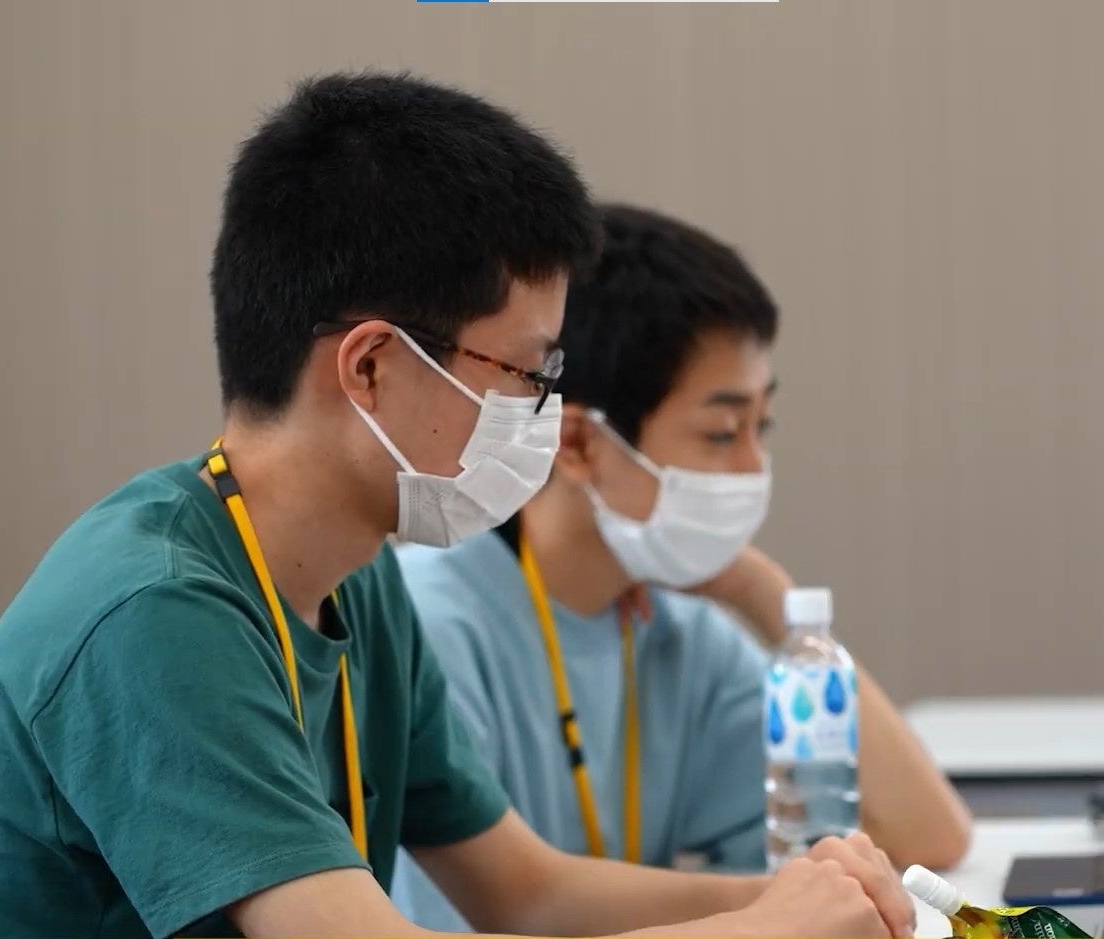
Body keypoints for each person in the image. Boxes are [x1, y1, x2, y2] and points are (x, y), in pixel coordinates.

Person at [0, 73, 914, 939]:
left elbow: (526, 891)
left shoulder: (357, 578)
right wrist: (763, 931)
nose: (539, 413)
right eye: (524, 373)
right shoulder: (155, 611)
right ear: (373, 367)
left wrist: (796, 897)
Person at [390, 204, 974, 932]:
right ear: (578, 445)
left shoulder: (678, 630)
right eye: (721, 432)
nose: (754, 467)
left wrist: (760, 591)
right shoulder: (432, 623)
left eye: (762, 426)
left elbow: (926, 840)